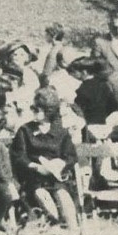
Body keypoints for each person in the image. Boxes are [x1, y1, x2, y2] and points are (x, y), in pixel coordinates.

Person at [10, 87, 78, 227]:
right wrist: (35, 167)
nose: (32, 111)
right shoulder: (25, 130)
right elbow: (19, 157)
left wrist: (62, 164)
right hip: (34, 177)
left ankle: (74, 231)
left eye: (36, 109)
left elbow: (71, 157)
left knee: (63, 196)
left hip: (56, 177)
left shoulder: (60, 132)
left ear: (48, 111)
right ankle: (56, 225)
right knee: (43, 196)